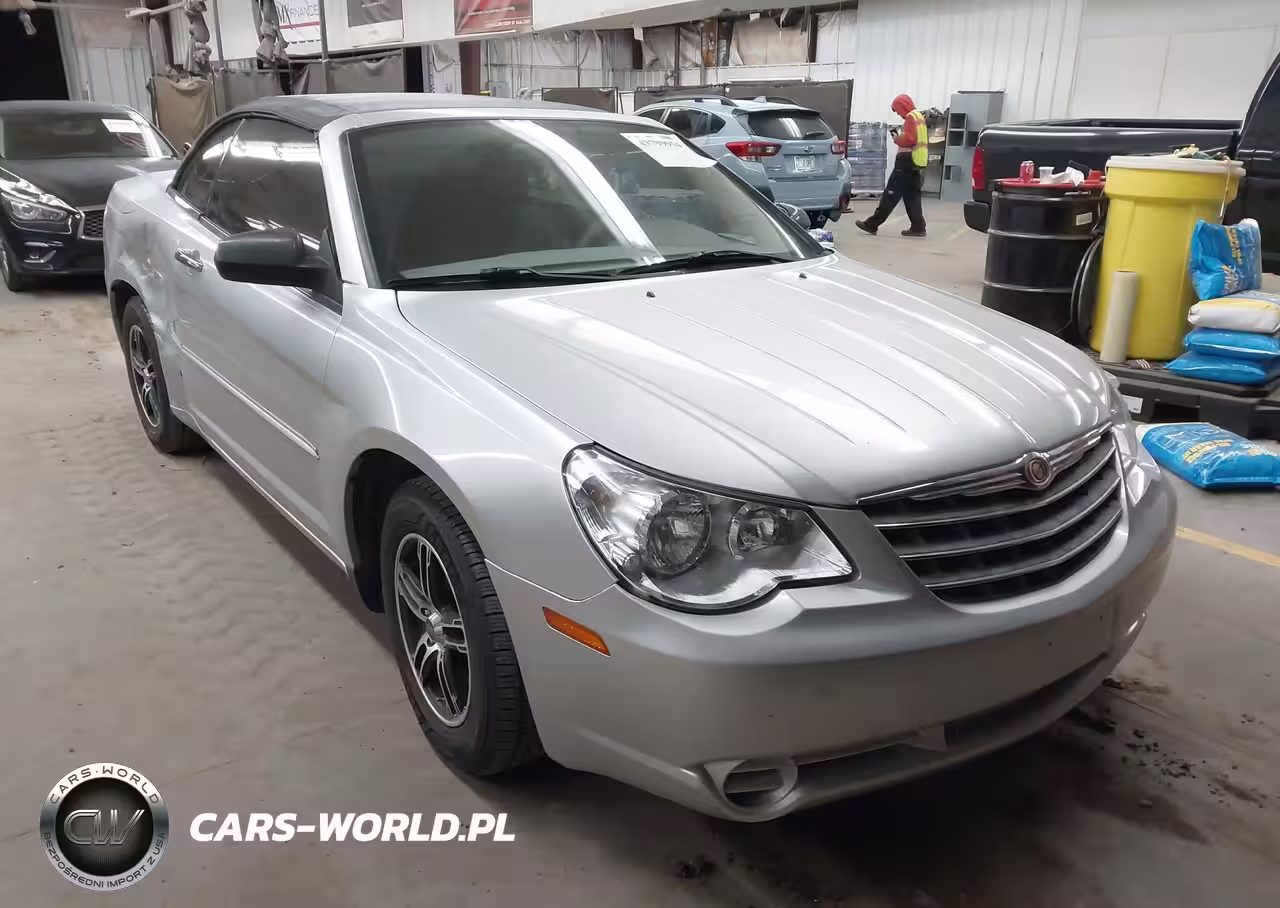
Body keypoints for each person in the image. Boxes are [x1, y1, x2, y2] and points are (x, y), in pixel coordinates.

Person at [856, 94, 928, 237]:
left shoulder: (910, 118)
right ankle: (918, 227)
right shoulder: (919, 116)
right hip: (917, 161)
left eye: (897, 110)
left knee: (891, 193)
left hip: (906, 161)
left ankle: (872, 224)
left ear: (902, 106)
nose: (898, 114)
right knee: (911, 196)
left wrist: (897, 139)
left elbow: (909, 139)